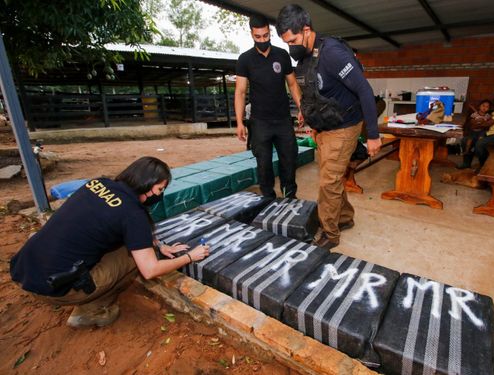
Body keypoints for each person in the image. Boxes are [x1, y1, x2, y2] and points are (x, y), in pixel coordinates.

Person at [9, 157, 209, 328]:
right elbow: (150, 270)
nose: (160, 194)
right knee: (133, 259)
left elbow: (116, 223)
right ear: (146, 183)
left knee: (125, 243)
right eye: (160, 188)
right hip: (56, 290)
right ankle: (89, 311)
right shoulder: (133, 214)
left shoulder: (98, 183)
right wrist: (191, 256)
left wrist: (159, 244)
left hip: (25, 270)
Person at [276, 4, 381, 249]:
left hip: (344, 126)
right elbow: (312, 91)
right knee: (330, 179)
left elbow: (364, 90)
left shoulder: (333, 53)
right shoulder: (305, 56)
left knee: (328, 182)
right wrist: (308, 115)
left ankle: (330, 234)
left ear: (306, 29)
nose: (290, 46)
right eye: (286, 42)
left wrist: (373, 135)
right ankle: (344, 217)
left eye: (292, 40)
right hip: (324, 126)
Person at [234, 14, 303, 199]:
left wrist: (301, 107)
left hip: (282, 120)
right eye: (258, 37)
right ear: (251, 34)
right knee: (263, 164)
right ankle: (268, 198)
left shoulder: (282, 55)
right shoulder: (245, 59)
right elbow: (240, 92)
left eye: (265, 36)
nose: (262, 40)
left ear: (269, 32)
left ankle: (290, 196)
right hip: (260, 123)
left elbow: (293, 84)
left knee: (289, 160)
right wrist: (239, 122)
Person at [457, 99, 492, 169]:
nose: (484, 108)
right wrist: (478, 122)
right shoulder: (474, 114)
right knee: (466, 140)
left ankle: (475, 152)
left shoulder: (488, 116)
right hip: (473, 131)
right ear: (479, 106)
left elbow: (487, 124)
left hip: (481, 132)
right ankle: (466, 158)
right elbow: (471, 122)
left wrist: (481, 123)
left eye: (487, 107)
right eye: (483, 106)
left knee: (480, 140)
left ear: (489, 109)